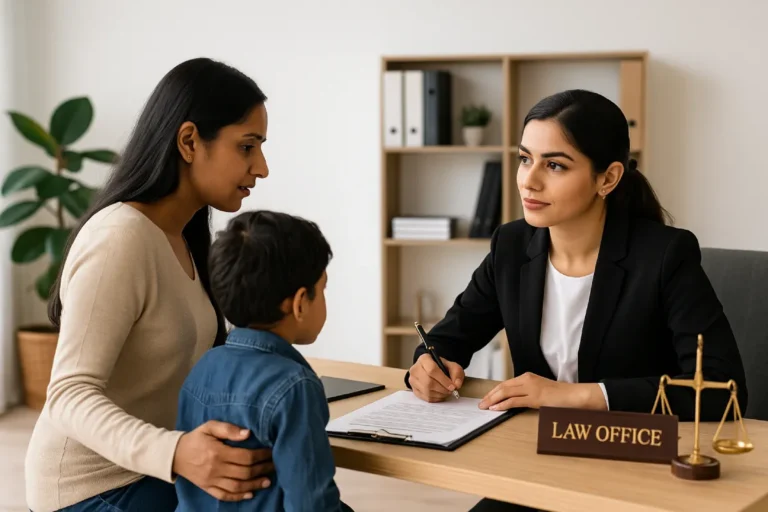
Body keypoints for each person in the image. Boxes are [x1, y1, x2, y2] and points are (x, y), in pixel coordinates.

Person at [405, 89, 748, 512]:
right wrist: (427, 364)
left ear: (608, 178)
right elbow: (449, 338)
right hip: (539, 464)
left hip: (639, 473)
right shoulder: (512, 245)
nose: (529, 180)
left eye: (554, 165)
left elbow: (720, 389)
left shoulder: (664, 255)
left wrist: (575, 396)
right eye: (524, 158)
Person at [25, 58, 275, 512]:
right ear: (189, 141)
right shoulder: (120, 239)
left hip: (149, 471)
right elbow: (68, 394)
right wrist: (177, 452)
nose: (262, 167)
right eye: (247, 147)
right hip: (89, 490)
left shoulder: (182, 237)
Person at [174, 210, 352, 511]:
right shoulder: (295, 387)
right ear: (299, 303)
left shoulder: (202, 367)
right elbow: (312, 505)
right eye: (322, 289)